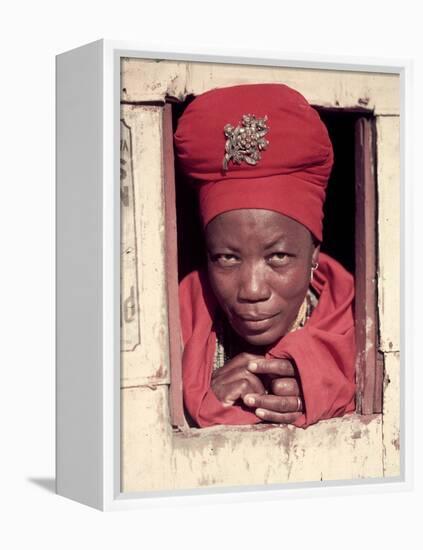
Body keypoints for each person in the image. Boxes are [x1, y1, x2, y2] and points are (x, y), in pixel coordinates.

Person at [174, 83, 356, 429]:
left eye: (279, 257)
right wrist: (208, 397)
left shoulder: (363, 326)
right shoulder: (172, 325)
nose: (253, 289)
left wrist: (318, 382)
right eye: (226, 258)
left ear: (314, 253)